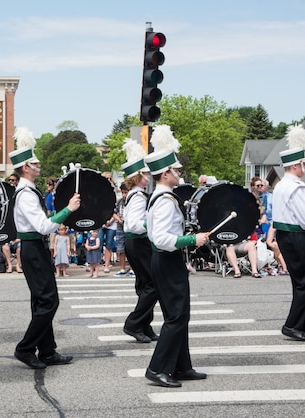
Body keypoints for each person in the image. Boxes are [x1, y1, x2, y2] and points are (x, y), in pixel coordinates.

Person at [9, 127, 80, 369]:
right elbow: (43, 226)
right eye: (35, 162)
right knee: (48, 302)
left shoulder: (29, 191)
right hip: (33, 248)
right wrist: (68, 209)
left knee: (43, 302)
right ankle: (25, 348)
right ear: (26, 167)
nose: (39, 165)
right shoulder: (26, 194)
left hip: (35, 249)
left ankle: (48, 351)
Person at [145, 125, 209, 388]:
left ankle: (181, 366)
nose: (179, 173)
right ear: (165, 173)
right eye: (176, 170)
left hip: (167, 260)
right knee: (176, 317)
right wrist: (193, 239)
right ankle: (157, 368)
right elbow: (161, 239)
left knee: (180, 315)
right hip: (165, 259)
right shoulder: (163, 200)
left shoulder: (164, 197)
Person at [273, 124, 305, 343]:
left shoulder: (282, 185)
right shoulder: (297, 187)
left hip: (286, 236)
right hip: (296, 235)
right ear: (295, 164)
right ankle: (293, 325)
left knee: (301, 281)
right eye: (304, 163)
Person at [119, 138, 159, 343]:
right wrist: (151, 222)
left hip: (137, 243)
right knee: (153, 284)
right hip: (139, 242)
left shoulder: (136, 195)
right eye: (144, 174)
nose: (148, 176)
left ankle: (145, 325)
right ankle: (134, 323)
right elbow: (133, 224)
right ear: (137, 177)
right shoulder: (138, 197)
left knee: (145, 285)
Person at [113, 183, 131, 277]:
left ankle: (133, 269)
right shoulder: (119, 202)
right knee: (120, 249)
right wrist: (119, 219)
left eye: (126, 192)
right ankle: (122, 268)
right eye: (122, 193)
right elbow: (114, 212)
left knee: (131, 249)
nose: (124, 195)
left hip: (130, 227)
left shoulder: (133, 201)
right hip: (120, 227)